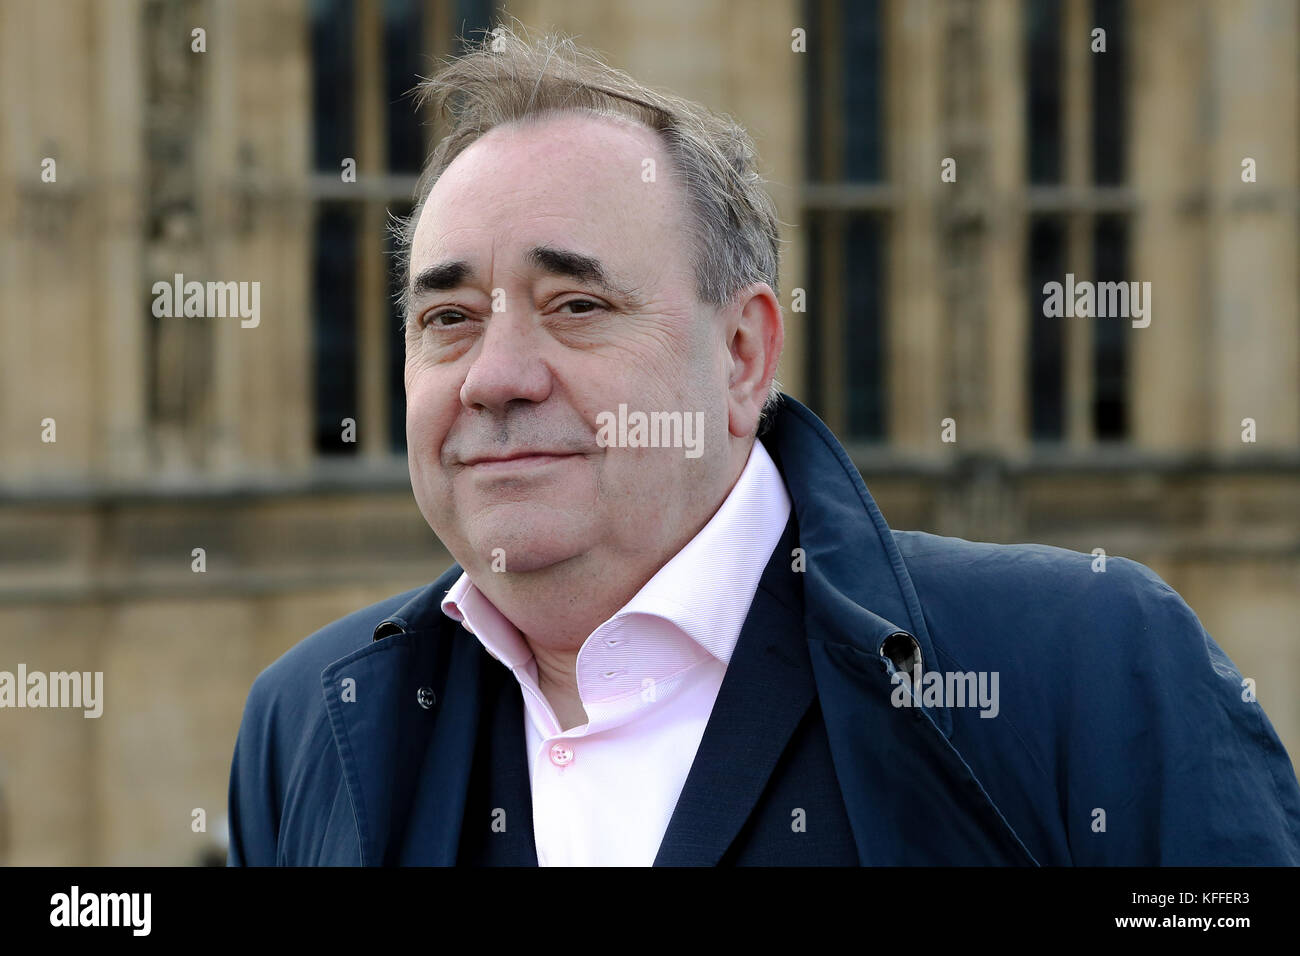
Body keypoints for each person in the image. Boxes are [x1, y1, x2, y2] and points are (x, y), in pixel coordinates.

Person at [227, 25, 1300, 866]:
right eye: (447, 318)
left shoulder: (1086, 666)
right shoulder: (308, 727)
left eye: (576, 304)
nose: (496, 375)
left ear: (742, 355)